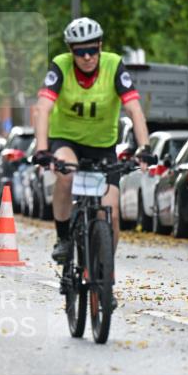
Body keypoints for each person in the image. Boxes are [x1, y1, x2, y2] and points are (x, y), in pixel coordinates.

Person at [32, 17, 152, 266]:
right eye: (80, 52)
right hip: (67, 140)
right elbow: (42, 108)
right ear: (71, 51)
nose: (87, 57)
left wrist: (144, 148)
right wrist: (42, 150)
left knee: (112, 213)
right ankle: (63, 238)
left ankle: (106, 272)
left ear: (100, 46)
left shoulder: (114, 65)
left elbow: (134, 110)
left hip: (103, 146)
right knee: (66, 175)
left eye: (92, 50)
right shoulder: (60, 66)